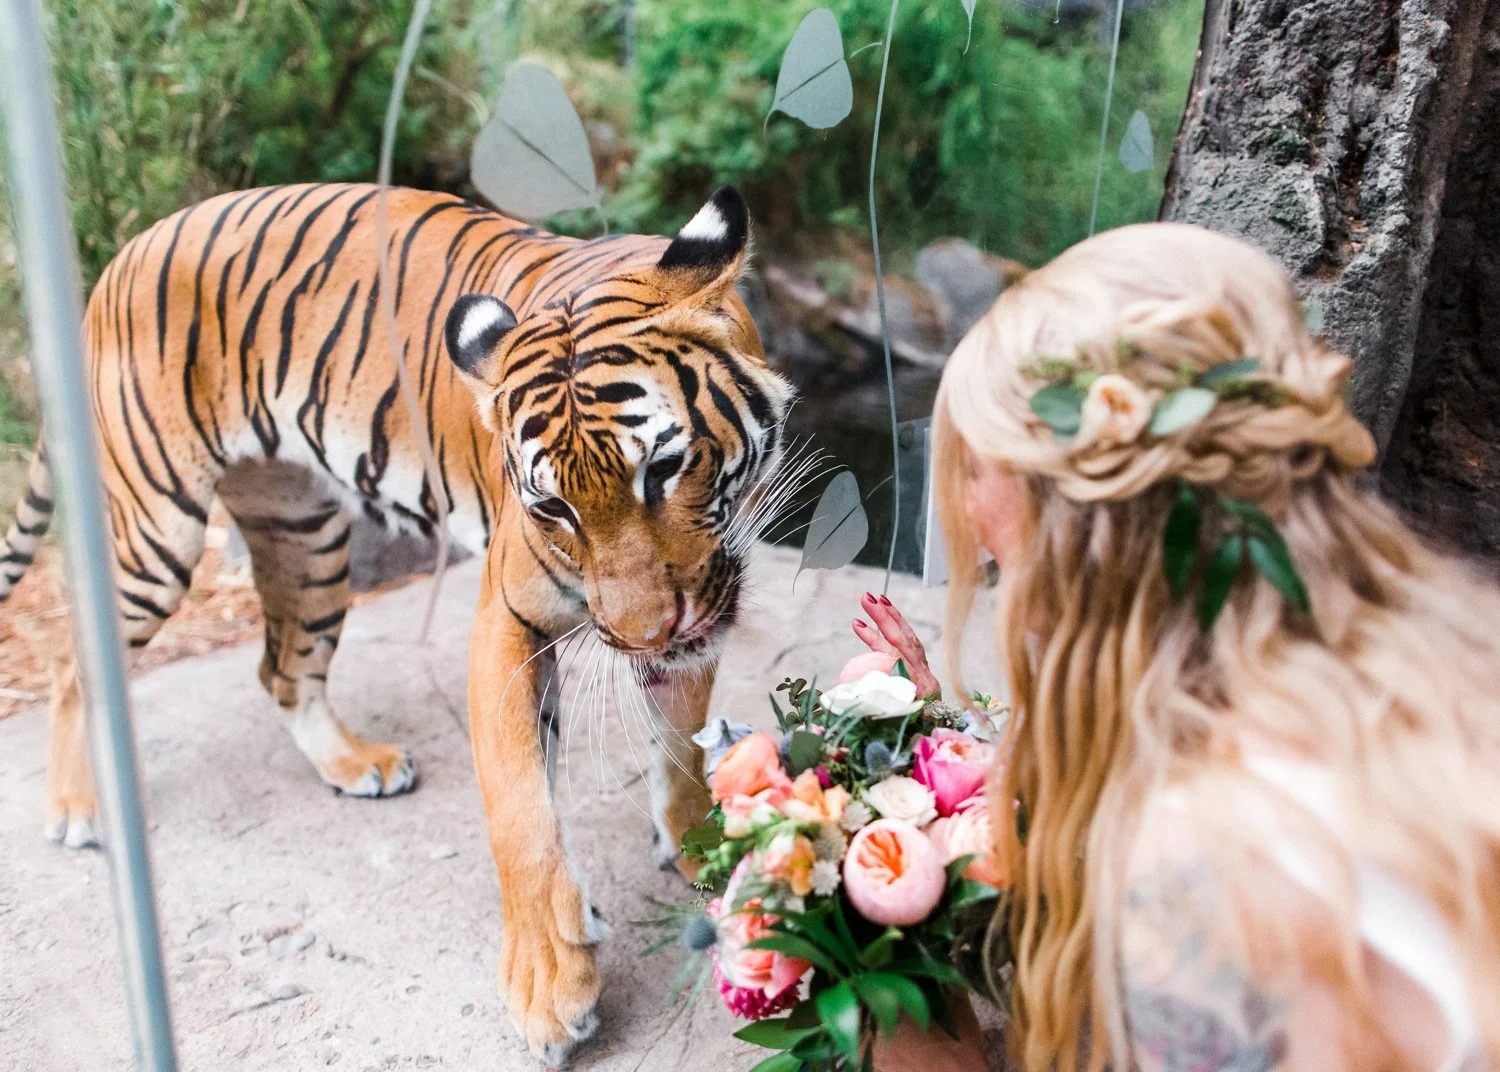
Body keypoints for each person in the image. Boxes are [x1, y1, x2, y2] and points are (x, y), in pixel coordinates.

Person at [855, 222, 1499, 1071]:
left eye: (976, 470)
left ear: (1082, 521)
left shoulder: (1207, 862)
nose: (966, 520)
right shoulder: (1440, 656)